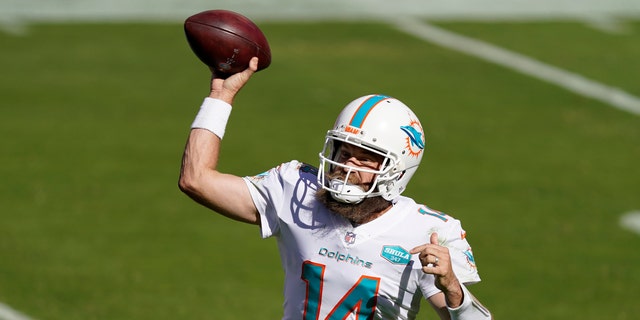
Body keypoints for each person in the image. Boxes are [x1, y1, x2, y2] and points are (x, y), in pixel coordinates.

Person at [179, 57, 492, 320]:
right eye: (343, 152)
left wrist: (452, 287)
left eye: (366, 159)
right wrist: (220, 97)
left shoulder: (430, 232)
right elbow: (196, 179)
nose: (347, 166)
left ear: (396, 171)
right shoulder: (296, 190)